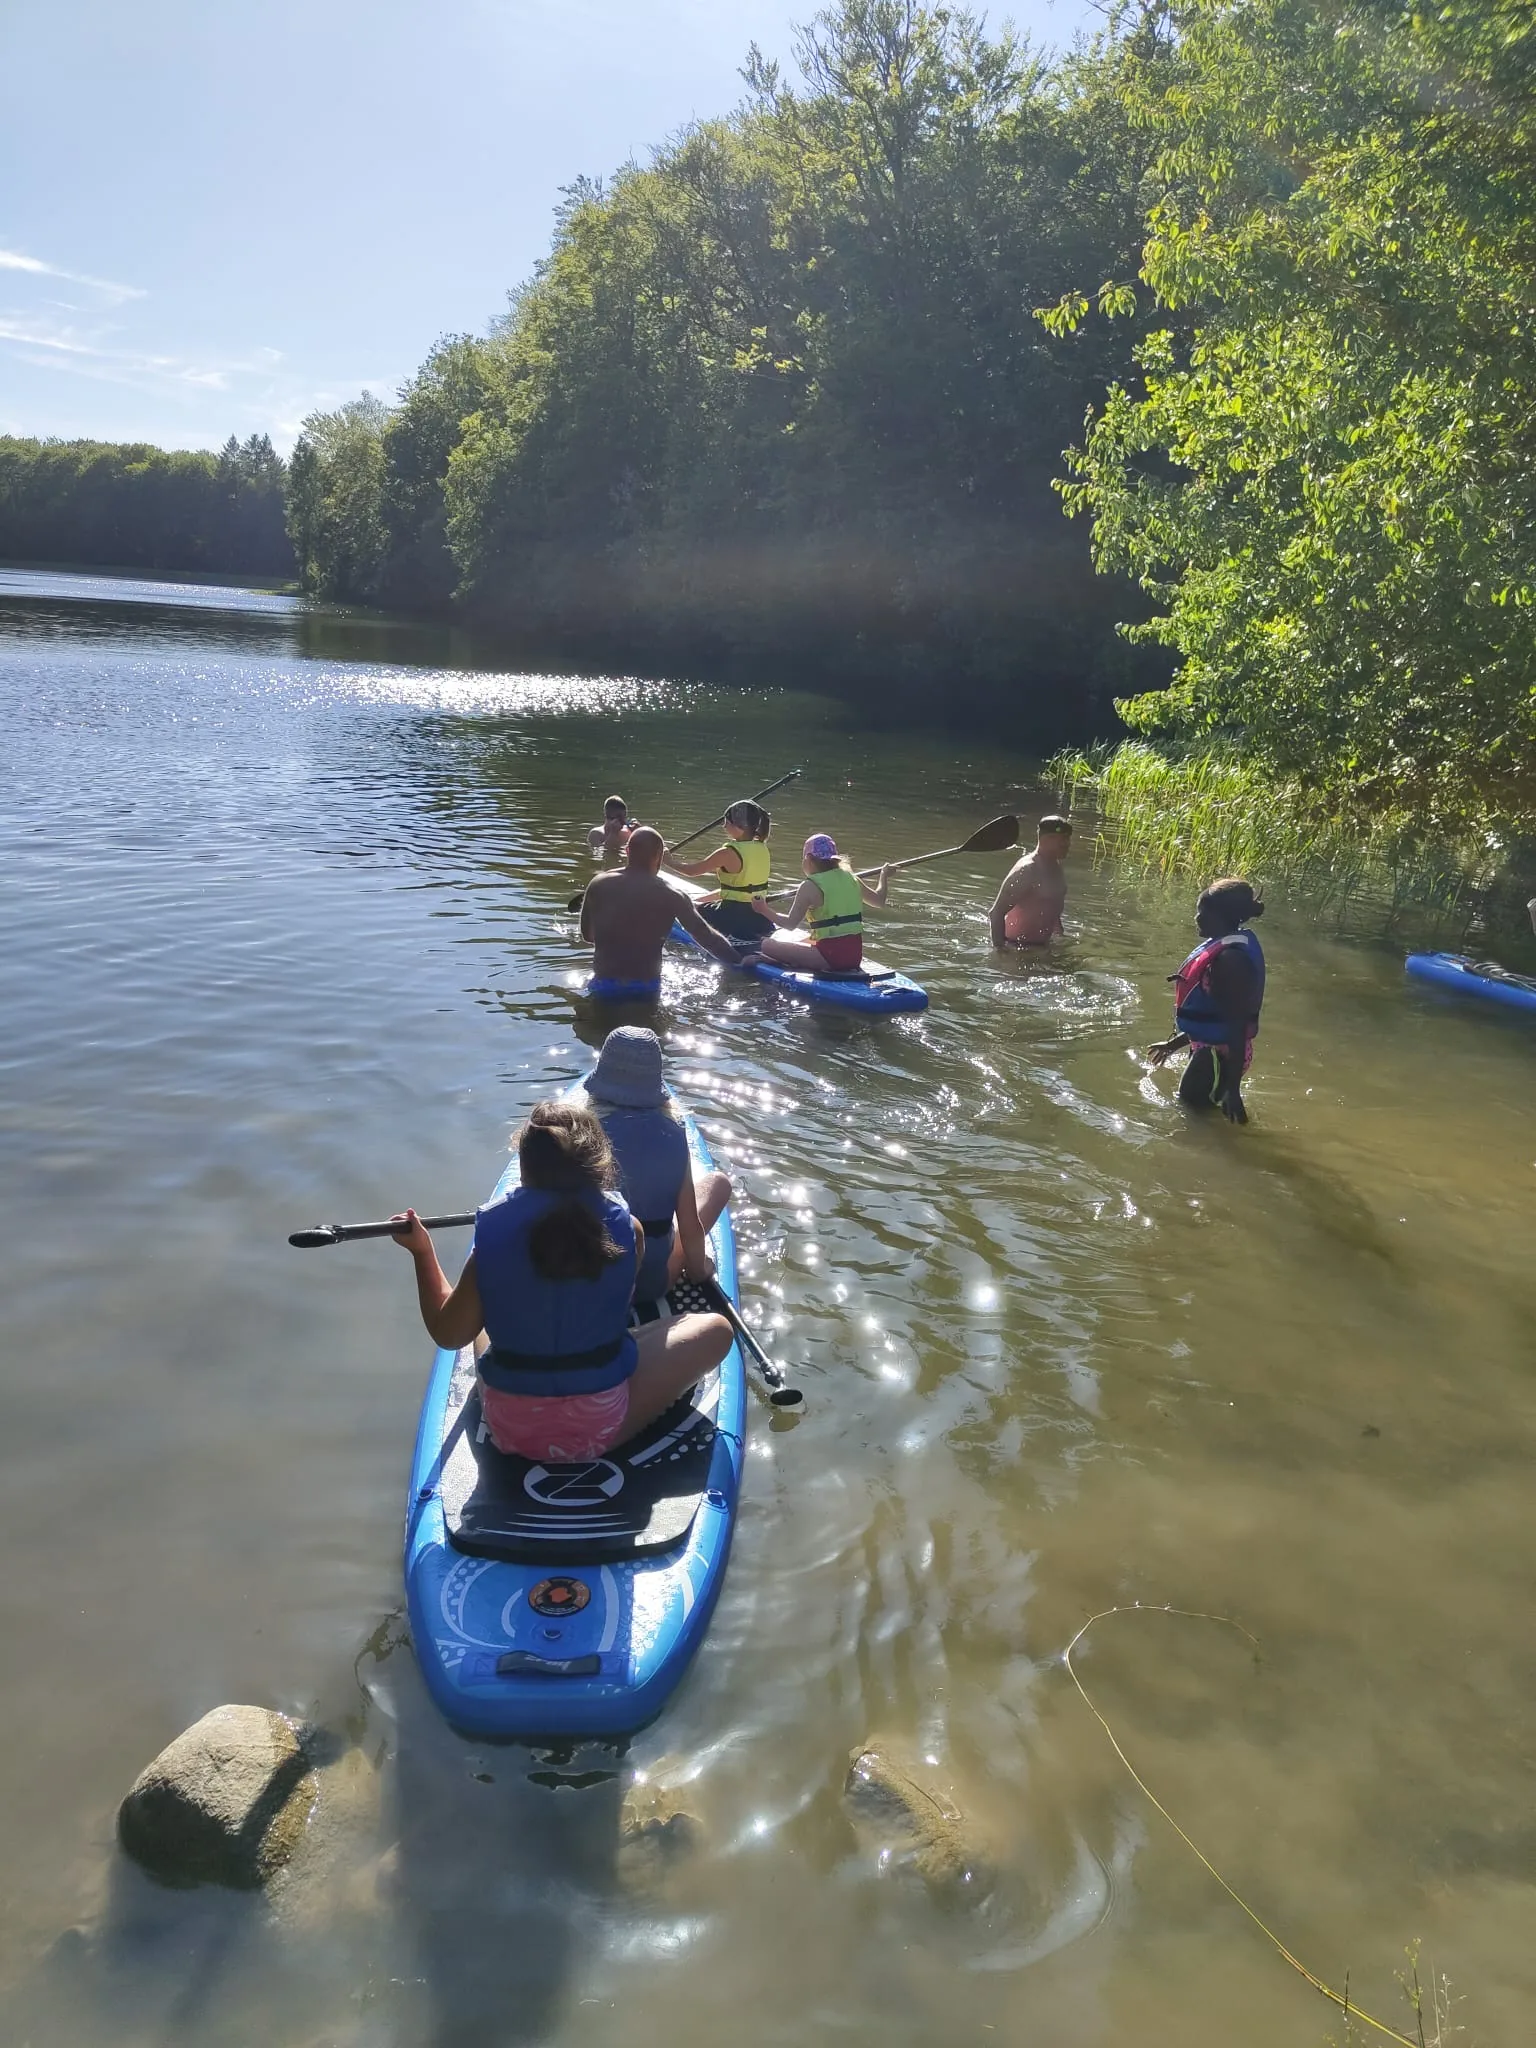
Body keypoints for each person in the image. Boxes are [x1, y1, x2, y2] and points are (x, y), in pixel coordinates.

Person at [389, 1100, 731, 1463]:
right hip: (596, 1426)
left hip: (508, 1425)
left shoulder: (491, 1243)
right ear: (600, 1167)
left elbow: (449, 1334)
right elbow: (610, 1309)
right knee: (716, 1329)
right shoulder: (629, 1231)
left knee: (482, 1316)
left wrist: (422, 1251)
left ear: (523, 1170)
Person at [580, 1026, 730, 1304]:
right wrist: (698, 1271)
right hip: (649, 1285)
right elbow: (688, 1224)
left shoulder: (581, 1134)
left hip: (590, 1282)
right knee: (718, 1184)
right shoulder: (674, 1133)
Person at [1146, 878, 1266, 1123]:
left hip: (1219, 1056)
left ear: (1223, 916)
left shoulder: (1231, 961)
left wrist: (1233, 1090)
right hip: (1212, 1052)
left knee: (1191, 1119)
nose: (1196, 918)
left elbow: (1235, 1024)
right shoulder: (1222, 948)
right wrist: (1173, 1045)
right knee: (1203, 1115)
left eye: (1203, 912)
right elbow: (1215, 1017)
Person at [580, 824, 739, 1001]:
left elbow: (588, 936)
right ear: (660, 857)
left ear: (627, 851)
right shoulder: (672, 894)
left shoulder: (598, 883)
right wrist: (738, 960)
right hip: (647, 988)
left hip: (604, 983)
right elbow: (705, 936)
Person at [744, 832, 889, 975]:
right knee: (806, 940)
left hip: (829, 958)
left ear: (808, 859)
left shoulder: (809, 886)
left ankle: (780, 963)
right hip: (854, 956)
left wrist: (763, 909)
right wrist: (884, 875)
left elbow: (789, 924)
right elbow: (879, 901)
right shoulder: (852, 878)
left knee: (767, 944)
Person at [664, 799, 775, 944]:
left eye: (727, 822)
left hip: (731, 918)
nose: (723, 826)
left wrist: (667, 860)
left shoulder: (727, 853)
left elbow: (691, 871)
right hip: (762, 919)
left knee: (691, 911)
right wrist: (699, 901)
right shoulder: (762, 848)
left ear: (739, 826)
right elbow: (737, 889)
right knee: (699, 905)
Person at [989, 815, 1072, 948]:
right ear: (1047, 839)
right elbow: (996, 913)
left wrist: (1060, 938)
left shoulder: (1056, 866)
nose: (1068, 844)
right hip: (1016, 948)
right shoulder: (1027, 870)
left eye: (1068, 838)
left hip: (1044, 947)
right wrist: (1000, 952)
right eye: (1063, 839)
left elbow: (1052, 905)